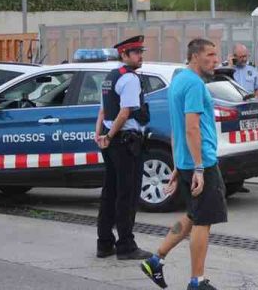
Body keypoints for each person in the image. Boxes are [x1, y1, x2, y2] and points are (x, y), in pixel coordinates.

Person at [141, 38, 227, 290]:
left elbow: (176, 127)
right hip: (202, 163)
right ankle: (196, 281)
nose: (215, 59)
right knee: (203, 221)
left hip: (187, 161)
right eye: (210, 54)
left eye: (216, 54)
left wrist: (180, 164)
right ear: (194, 57)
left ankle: (155, 260)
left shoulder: (178, 79)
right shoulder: (193, 84)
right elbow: (190, 128)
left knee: (192, 214)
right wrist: (199, 168)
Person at [95, 35, 152, 260]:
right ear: (124, 55)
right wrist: (107, 135)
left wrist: (99, 135)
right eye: (136, 52)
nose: (140, 56)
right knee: (126, 195)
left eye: (140, 51)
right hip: (125, 142)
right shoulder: (130, 79)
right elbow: (125, 112)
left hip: (111, 142)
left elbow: (102, 111)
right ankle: (126, 245)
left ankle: (104, 243)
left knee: (110, 192)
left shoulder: (109, 77)